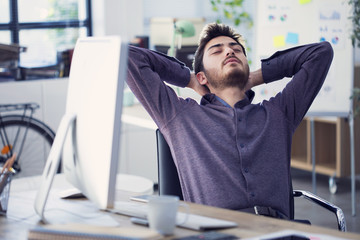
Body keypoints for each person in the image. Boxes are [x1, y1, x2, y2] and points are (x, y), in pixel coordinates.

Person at [126, 23, 333, 219]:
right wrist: (189, 79)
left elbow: (320, 54)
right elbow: (128, 57)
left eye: (236, 49)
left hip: (276, 230)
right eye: (217, 50)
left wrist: (257, 76)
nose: (229, 51)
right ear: (202, 76)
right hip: (216, 232)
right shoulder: (180, 117)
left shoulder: (279, 113)